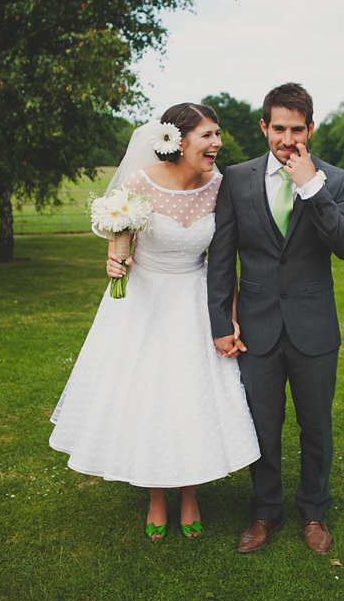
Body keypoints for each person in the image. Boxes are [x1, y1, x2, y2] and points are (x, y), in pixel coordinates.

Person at [49, 103, 260, 541]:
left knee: (190, 397)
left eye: (217, 134)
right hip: (143, 304)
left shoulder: (221, 186)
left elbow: (223, 262)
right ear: (178, 141)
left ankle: (190, 493)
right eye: (208, 136)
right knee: (147, 398)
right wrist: (114, 257)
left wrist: (231, 318)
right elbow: (120, 229)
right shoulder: (139, 182)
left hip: (194, 303)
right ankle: (156, 497)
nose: (217, 143)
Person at [207, 83, 344, 554]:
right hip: (257, 328)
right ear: (264, 127)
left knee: (316, 426)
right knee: (262, 425)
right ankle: (265, 512)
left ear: (310, 129)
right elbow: (222, 256)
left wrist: (310, 187)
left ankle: (313, 512)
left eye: (297, 128)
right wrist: (220, 323)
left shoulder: (334, 181)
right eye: (279, 128)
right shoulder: (236, 178)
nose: (288, 138)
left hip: (315, 327)